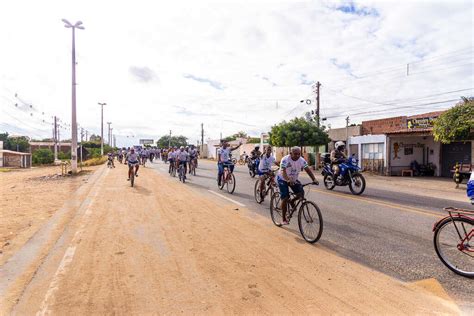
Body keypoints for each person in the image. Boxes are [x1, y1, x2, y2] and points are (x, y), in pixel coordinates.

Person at [277, 147, 318, 225]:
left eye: (299, 154)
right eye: (295, 154)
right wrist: (288, 180)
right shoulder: (285, 159)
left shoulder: (301, 160)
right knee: (285, 197)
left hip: (293, 179)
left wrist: (314, 179)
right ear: (291, 153)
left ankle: (292, 201)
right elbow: (283, 171)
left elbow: (307, 169)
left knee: (301, 194)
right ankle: (283, 219)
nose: (297, 155)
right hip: (282, 178)